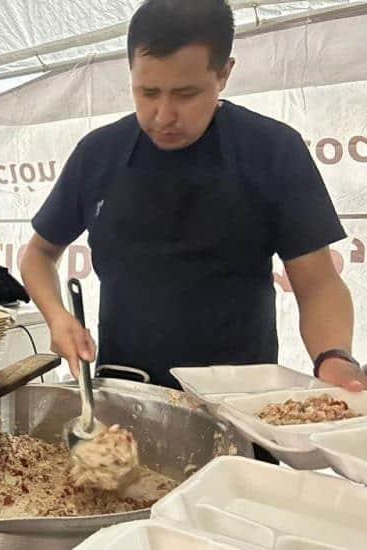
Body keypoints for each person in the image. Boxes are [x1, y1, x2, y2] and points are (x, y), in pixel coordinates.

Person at [20, 0, 366, 392]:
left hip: (238, 399)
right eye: (148, 92)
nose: (163, 114)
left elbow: (317, 281)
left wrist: (333, 356)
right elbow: (38, 253)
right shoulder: (98, 153)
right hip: (127, 393)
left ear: (224, 74)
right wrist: (56, 316)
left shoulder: (272, 149)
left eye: (186, 94)